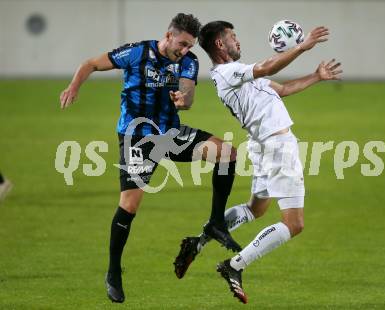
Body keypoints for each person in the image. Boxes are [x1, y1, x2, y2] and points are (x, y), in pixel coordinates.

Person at [59, 14, 242, 303]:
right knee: (129, 206)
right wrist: (74, 86)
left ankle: (216, 222)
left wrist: (184, 99)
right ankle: (113, 271)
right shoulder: (136, 52)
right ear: (168, 35)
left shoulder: (188, 60)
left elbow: (189, 93)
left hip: (170, 134)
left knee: (227, 155)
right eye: (181, 43)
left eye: (189, 45)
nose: (184, 50)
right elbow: (91, 64)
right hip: (138, 138)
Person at [174, 21, 342, 303]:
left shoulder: (238, 75)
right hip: (278, 147)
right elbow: (267, 67)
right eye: (232, 37)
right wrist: (303, 46)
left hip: (263, 145)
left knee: (256, 209)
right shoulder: (229, 72)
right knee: (294, 223)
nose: (237, 41)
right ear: (219, 44)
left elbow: (282, 89)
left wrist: (316, 76)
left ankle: (198, 242)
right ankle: (234, 265)